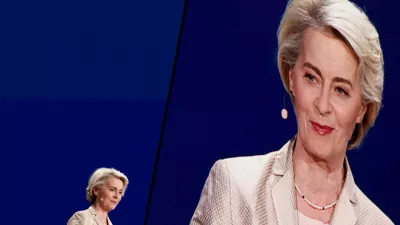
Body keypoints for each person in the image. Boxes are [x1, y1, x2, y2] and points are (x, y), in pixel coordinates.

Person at [190, 0, 394, 224]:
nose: (323, 105)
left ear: (361, 110)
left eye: (340, 90)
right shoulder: (234, 188)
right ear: (291, 77)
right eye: (312, 78)